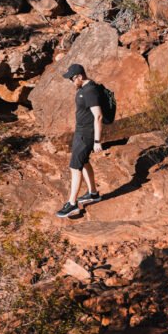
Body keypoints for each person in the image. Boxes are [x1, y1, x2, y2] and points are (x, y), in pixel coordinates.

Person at [56, 63, 103, 218]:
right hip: (81, 132)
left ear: (80, 76)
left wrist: (97, 141)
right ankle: (93, 193)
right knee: (83, 162)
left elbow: (98, 116)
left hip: (86, 135)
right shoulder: (84, 89)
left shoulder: (90, 91)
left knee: (75, 167)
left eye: (72, 78)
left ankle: (72, 204)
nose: (71, 81)